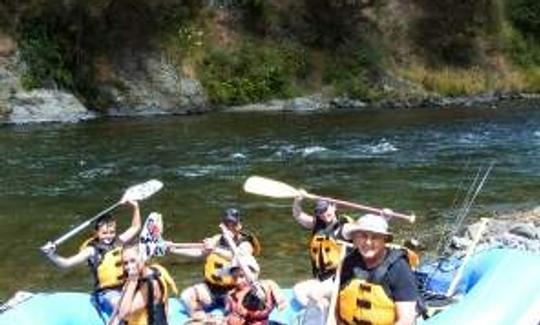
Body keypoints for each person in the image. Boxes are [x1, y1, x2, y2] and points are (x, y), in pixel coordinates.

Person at [40, 200, 142, 315]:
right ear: (96, 233)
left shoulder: (119, 241)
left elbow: (135, 227)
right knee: (120, 306)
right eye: (104, 233)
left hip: (126, 286)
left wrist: (135, 207)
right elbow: (67, 263)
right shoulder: (91, 250)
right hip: (107, 292)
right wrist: (51, 254)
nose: (108, 236)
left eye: (111, 232)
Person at [168, 208, 260, 320]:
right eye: (227, 223)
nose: (230, 226)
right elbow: (200, 252)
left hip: (233, 290)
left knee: (234, 313)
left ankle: (224, 316)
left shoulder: (245, 243)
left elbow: (240, 257)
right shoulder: (217, 239)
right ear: (223, 225)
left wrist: (215, 249)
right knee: (186, 297)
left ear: (239, 225)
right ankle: (202, 318)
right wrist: (173, 249)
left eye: (233, 223)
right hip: (212, 288)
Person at [335, 213, 419, 325]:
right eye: (363, 236)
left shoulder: (399, 269)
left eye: (375, 237)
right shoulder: (348, 262)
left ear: (384, 240)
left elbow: (406, 319)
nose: (368, 242)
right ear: (355, 239)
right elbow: (336, 306)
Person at [291, 194, 351, 306]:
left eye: (325, 210)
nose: (323, 214)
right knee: (297, 290)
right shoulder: (317, 225)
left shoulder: (344, 228)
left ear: (334, 207)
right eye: (319, 212)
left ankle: (325, 310)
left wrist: (384, 218)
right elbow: (298, 215)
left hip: (339, 280)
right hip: (322, 279)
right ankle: (318, 309)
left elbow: (364, 231)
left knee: (315, 294)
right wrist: (297, 201)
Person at [108, 245, 177, 325]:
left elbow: (124, 314)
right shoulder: (157, 269)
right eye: (126, 263)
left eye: (133, 261)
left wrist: (132, 281)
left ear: (143, 258)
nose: (129, 267)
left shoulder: (150, 284)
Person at [225, 255, 286, 325]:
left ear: (254, 274)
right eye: (234, 278)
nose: (238, 281)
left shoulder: (267, 286)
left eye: (242, 276)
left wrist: (278, 299)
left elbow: (281, 302)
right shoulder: (232, 295)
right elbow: (229, 315)